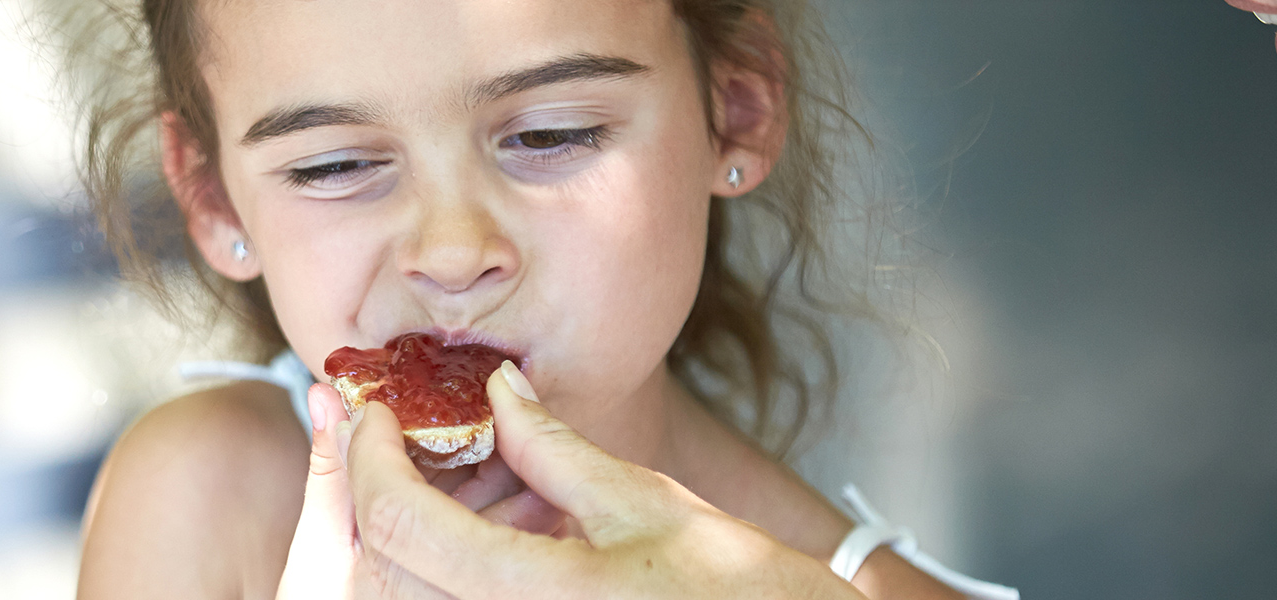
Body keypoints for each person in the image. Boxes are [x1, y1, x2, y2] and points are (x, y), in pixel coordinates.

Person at [62, 0, 1017, 597]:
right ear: (213, 193)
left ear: (738, 108)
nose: (451, 252)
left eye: (551, 134)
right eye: (336, 164)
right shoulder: (202, 498)